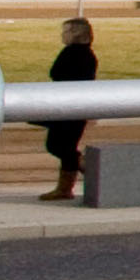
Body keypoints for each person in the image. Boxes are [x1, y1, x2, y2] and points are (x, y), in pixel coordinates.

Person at [39, 15, 100, 202]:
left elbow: (56, 73)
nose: (62, 35)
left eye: (65, 31)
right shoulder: (88, 54)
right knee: (63, 146)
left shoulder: (72, 53)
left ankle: (79, 172)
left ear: (75, 34)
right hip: (76, 106)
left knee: (59, 146)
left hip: (68, 107)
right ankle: (70, 180)